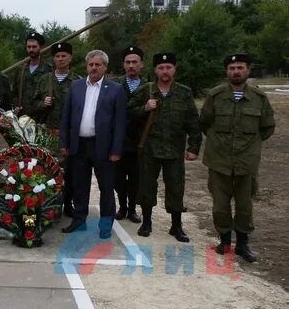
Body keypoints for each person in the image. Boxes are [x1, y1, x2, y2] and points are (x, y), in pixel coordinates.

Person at [200, 53, 275, 262]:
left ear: (248, 70)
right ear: (227, 71)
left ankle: (242, 244)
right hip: (219, 161)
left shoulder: (259, 98)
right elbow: (205, 122)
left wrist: (249, 146)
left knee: (244, 205)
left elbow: (267, 127)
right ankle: (224, 240)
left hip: (246, 162)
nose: (236, 72)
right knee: (220, 205)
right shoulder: (215, 96)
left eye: (240, 67)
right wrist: (219, 143)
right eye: (232, 68)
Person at [128, 53, 202, 242]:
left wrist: (194, 147)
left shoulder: (184, 92)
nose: (165, 71)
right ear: (155, 70)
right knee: (147, 187)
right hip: (150, 149)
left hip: (174, 149)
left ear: (174, 69)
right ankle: (147, 223)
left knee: (176, 187)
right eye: (161, 68)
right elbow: (128, 112)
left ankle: (176, 226)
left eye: (168, 67)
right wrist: (145, 108)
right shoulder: (146, 90)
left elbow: (193, 121)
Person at [59, 50, 126, 239]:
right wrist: (64, 142)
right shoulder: (76, 86)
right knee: (80, 185)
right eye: (91, 64)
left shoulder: (115, 89)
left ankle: (105, 225)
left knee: (106, 187)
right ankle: (79, 220)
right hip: (79, 145)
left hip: (103, 147)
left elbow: (120, 123)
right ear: (86, 66)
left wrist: (116, 150)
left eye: (98, 65)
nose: (94, 68)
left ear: (105, 67)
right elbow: (66, 116)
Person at [38, 41, 80, 217]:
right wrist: (42, 103)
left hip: (70, 136)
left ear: (70, 58)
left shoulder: (78, 81)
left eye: (64, 56)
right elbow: (32, 105)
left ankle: (68, 203)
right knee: (48, 171)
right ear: (53, 59)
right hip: (49, 135)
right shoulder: (44, 80)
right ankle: (50, 205)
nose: (61, 59)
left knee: (70, 172)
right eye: (57, 56)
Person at [112, 46, 147, 223]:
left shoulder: (149, 86)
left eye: (135, 62)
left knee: (135, 179)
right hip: (118, 140)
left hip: (140, 141)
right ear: (123, 65)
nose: (131, 65)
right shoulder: (114, 84)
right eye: (128, 62)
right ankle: (122, 207)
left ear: (142, 64)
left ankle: (132, 209)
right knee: (118, 179)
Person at [13, 31, 52, 122]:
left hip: (42, 120)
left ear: (41, 47)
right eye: (29, 47)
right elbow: (14, 93)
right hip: (22, 120)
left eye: (34, 47)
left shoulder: (49, 70)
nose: (31, 50)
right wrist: (15, 106)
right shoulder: (20, 70)